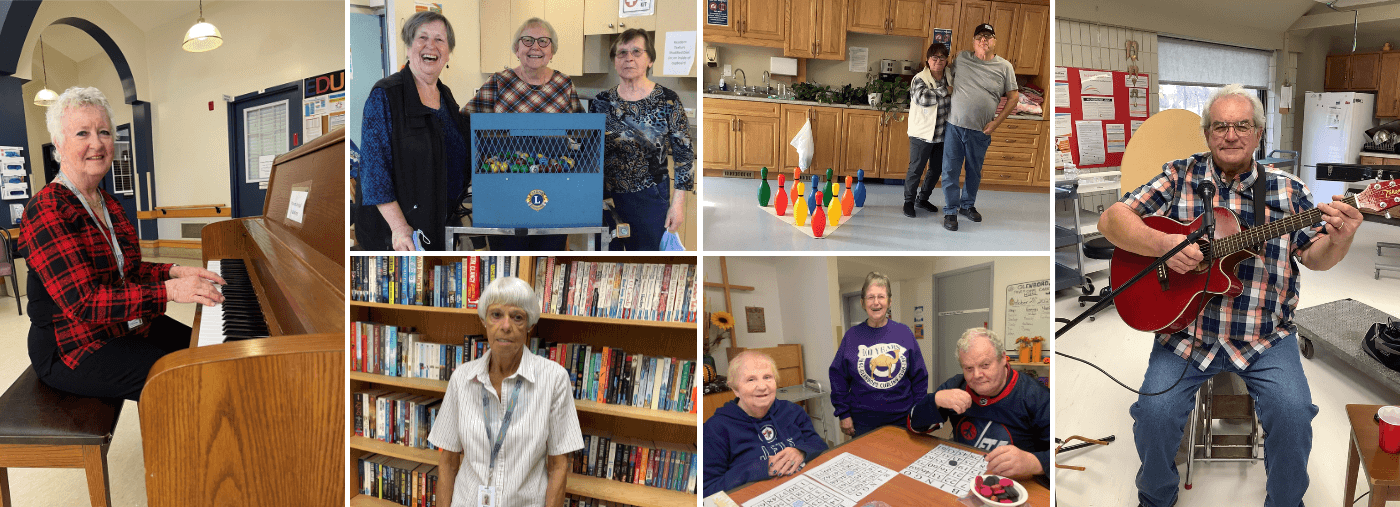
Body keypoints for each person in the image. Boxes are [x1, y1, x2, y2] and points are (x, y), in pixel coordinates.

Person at [1098, 84, 1363, 507]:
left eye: (1242, 125)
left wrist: (1342, 238)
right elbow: (1111, 220)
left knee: (1295, 416)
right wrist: (1163, 245)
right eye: (1220, 126)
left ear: (1259, 133)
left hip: (1264, 336)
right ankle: (1155, 499)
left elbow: (1316, 257)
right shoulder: (1178, 175)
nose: (1230, 135)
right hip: (1185, 335)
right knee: (1153, 415)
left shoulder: (1289, 191)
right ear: (1207, 134)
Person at [20, 86, 226, 401]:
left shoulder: (108, 203)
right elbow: (84, 302)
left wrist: (174, 271)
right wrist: (170, 291)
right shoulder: (47, 208)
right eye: (82, 133)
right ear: (59, 144)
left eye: (104, 132)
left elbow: (127, 270)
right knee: (188, 382)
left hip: (121, 324)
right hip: (73, 346)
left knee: (210, 352)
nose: (97, 143)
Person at [427, 276, 583, 507]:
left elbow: (558, 467)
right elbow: (448, 463)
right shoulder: (462, 378)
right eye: (496, 315)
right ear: (484, 321)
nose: (506, 326)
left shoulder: (554, 379)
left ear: (529, 325)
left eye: (517, 317)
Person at [467, 17, 583, 252]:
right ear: (517, 49)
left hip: (554, 188)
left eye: (543, 41)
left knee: (549, 259)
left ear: (552, 51)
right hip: (504, 188)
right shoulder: (499, 82)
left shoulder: (564, 84)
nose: (535, 47)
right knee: (508, 257)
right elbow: (467, 122)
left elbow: (581, 132)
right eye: (527, 40)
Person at [357, 10, 469, 252]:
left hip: (439, 228)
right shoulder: (386, 95)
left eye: (440, 39)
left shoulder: (447, 97)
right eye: (422, 38)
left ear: (448, 53)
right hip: (398, 238)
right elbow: (374, 172)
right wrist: (398, 227)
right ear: (408, 48)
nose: (431, 46)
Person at [589, 29, 694, 250]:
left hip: (650, 198)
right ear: (614, 60)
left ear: (650, 60)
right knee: (607, 260)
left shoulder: (668, 100)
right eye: (622, 53)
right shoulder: (601, 102)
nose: (629, 58)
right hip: (606, 200)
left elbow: (685, 157)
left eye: (637, 51)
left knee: (646, 260)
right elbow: (590, 153)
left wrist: (678, 205)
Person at [906, 328, 1049, 477]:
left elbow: (1059, 452)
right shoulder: (956, 385)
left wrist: (1034, 463)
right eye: (968, 368)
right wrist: (935, 400)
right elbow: (914, 426)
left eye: (985, 365)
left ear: (1003, 358)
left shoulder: (1036, 396)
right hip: (963, 472)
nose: (977, 375)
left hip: (1017, 482)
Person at [703, 351, 827, 496]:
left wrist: (801, 451)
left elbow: (820, 446)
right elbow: (707, 490)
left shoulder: (794, 411)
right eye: (750, 380)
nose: (762, 386)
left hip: (804, 491)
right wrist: (758, 468)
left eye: (767, 377)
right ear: (735, 389)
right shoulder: (715, 428)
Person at [829, 271, 928, 438]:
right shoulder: (852, 336)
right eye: (870, 297)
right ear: (862, 302)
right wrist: (843, 413)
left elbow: (919, 377)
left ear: (889, 302)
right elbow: (838, 377)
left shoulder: (904, 332)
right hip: (863, 422)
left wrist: (918, 411)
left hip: (902, 419)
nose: (876, 302)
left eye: (881, 297)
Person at [941, 23, 1019, 232]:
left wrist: (996, 123)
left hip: (981, 130)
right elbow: (945, 73)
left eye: (988, 36)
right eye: (979, 37)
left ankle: (967, 205)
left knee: (974, 171)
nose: (983, 41)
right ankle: (950, 210)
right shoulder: (962, 59)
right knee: (950, 170)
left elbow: (1013, 98)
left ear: (995, 41)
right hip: (955, 126)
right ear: (974, 42)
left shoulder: (1005, 67)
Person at [904, 42, 952, 219]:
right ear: (928, 60)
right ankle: (908, 202)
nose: (938, 60)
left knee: (936, 169)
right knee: (916, 168)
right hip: (921, 134)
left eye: (942, 57)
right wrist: (946, 91)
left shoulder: (949, 76)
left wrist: (946, 90)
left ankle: (922, 199)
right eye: (935, 57)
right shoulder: (919, 78)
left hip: (943, 134)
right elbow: (923, 98)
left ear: (947, 60)